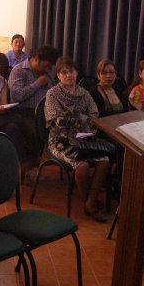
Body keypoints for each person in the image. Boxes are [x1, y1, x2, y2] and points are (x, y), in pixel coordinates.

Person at [45, 57, 109, 222]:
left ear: (76, 73)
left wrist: (77, 120)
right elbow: (58, 122)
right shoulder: (53, 93)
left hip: (82, 137)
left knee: (104, 161)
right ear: (58, 75)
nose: (68, 75)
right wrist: (81, 118)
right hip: (60, 140)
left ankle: (89, 201)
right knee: (82, 165)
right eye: (64, 72)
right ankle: (90, 203)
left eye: (71, 71)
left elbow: (94, 116)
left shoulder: (84, 93)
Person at [8, 44, 59, 179]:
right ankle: (29, 167)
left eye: (49, 67)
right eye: (45, 66)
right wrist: (37, 84)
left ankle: (60, 162)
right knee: (35, 130)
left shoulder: (47, 73)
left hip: (45, 112)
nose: (47, 69)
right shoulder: (19, 70)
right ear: (36, 59)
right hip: (23, 112)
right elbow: (17, 96)